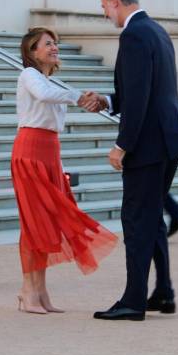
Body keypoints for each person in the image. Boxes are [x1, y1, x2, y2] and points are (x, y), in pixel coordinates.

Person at [87, 0, 178, 321]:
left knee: (135, 220)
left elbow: (142, 96)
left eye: (103, 6)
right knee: (151, 219)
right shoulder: (157, 31)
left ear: (114, 0)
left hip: (147, 145)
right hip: (168, 139)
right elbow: (144, 90)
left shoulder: (133, 34)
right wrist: (110, 100)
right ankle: (162, 292)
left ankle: (134, 300)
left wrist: (122, 145)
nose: (105, 14)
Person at [10, 26, 118, 314]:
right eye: (47, 44)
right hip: (30, 150)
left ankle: (40, 290)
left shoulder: (53, 81)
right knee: (34, 222)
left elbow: (55, 99)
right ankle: (28, 290)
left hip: (49, 152)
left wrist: (86, 100)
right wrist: (80, 96)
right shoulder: (29, 75)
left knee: (47, 222)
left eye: (55, 43)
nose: (54, 48)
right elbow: (45, 96)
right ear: (33, 51)